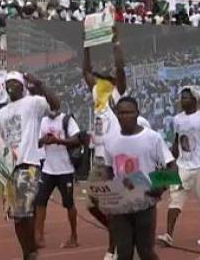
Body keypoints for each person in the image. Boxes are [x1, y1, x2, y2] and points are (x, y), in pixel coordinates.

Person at [0, 71, 59, 260]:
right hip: (10, 170)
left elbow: (55, 104)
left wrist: (40, 84)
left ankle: (31, 251)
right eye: (8, 84)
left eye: (15, 83)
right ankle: (27, 252)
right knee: (16, 216)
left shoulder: (33, 103)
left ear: (22, 86)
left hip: (28, 164)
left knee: (24, 213)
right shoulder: (2, 113)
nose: (11, 86)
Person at [103, 97, 175, 260]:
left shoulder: (152, 138)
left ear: (137, 114)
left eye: (129, 112)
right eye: (121, 113)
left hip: (145, 204)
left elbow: (171, 165)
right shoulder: (110, 140)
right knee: (124, 253)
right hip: (121, 204)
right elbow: (108, 168)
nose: (124, 116)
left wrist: (160, 186)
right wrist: (108, 193)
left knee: (145, 252)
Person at [83, 27, 126, 260]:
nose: (106, 73)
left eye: (109, 74)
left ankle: (112, 248)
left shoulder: (117, 94)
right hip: (99, 158)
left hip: (114, 160)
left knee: (111, 204)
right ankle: (116, 231)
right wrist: (86, 44)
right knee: (91, 204)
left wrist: (115, 41)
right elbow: (86, 71)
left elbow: (120, 67)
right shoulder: (97, 93)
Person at [158, 87, 200, 247]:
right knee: (175, 198)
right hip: (183, 166)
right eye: (182, 98)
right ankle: (168, 234)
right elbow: (177, 142)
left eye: (186, 98)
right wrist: (170, 161)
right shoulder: (177, 119)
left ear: (194, 100)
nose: (183, 101)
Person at [35, 110, 80, 249]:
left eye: (53, 107)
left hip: (65, 169)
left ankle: (74, 236)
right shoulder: (43, 121)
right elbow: (37, 142)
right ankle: (39, 236)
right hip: (48, 169)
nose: (51, 110)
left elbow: (77, 139)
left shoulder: (67, 120)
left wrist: (58, 140)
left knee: (68, 203)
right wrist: (44, 140)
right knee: (40, 202)